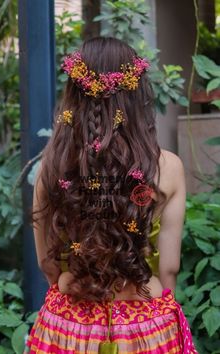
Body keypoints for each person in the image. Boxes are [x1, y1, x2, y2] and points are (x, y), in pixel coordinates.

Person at [24, 37, 197, 353]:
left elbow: (46, 263)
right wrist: (159, 314)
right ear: (137, 96)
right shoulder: (168, 167)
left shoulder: (51, 166)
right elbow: (169, 266)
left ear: (74, 97)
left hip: (68, 322)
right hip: (145, 322)